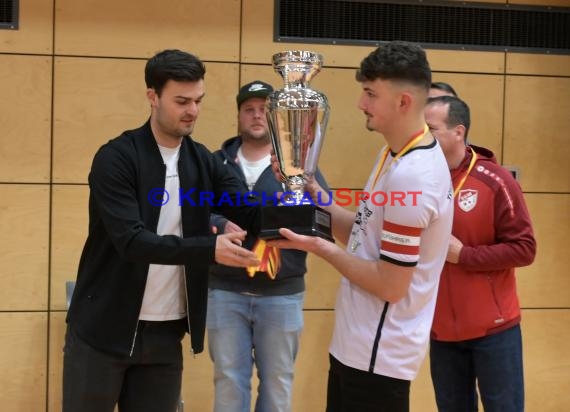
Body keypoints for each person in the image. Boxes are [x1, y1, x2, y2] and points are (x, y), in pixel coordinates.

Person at [62, 49, 262, 412]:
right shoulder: (116, 158)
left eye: (198, 100)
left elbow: (250, 213)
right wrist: (209, 249)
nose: (193, 111)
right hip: (102, 330)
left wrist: (300, 190)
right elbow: (133, 242)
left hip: (166, 334)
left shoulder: (202, 162)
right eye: (182, 101)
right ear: (153, 97)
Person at [268, 41, 454, 412]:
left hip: (379, 358)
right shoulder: (394, 154)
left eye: (370, 94)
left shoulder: (414, 176)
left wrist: (320, 248)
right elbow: (364, 234)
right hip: (357, 347)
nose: (361, 104)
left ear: (403, 102)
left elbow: (390, 284)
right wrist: (315, 194)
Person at [207, 80, 329, 412]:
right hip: (224, 290)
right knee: (228, 380)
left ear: (276, 117)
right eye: (249, 109)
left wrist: (290, 221)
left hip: (282, 294)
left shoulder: (300, 165)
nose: (257, 116)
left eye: (264, 110)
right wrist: (215, 224)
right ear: (238, 116)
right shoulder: (214, 163)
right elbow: (193, 210)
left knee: (277, 384)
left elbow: (324, 216)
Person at [424, 95, 536, 412]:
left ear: (458, 132)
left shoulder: (496, 180)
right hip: (440, 330)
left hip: (494, 329)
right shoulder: (419, 179)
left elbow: (525, 249)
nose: (422, 137)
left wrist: (465, 256)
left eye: (430, 129)